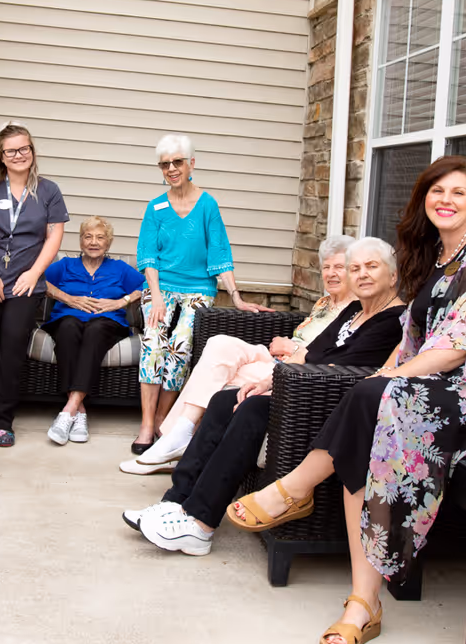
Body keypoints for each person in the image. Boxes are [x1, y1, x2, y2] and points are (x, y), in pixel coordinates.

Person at [225, 157, 466, 644]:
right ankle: (363, 601)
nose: (446, 200)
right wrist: (387, 375)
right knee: (373, 411)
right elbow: (411, 342)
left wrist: (389, 378)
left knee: (378, 399)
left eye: (459, 193)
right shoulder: (434, 258)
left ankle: (297, 492)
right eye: (437, 190)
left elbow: (457, 348)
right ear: (425, 199)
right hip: (444, 385)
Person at [123, 236, 404, 557]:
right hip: (298, 386)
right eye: (355, 268)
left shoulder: (393, 320)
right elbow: (309, 353)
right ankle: (175, 502)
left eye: (371, 267)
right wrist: (270, 380)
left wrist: (281, 382)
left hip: (326, 406)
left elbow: (338, 367)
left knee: (251, 410)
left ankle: (200, 524)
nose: (362, 274)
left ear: (392, 276)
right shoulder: (354, 309)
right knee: (223, 400)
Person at [121, 233, 356, 475]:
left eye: (339, 267)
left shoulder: (357, 312)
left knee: (220, 373)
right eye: (326, 267)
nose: (331, 273)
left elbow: (339, 356)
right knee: (219, 344)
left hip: (296, 369)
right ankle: (179, 438)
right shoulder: (325, 302)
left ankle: (175, 442)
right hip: (275, 357)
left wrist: (293, 348)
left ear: (353, 270)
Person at [132, 133, 267, 456]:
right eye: (164, 165)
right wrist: (157, 297)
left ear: (191, 164)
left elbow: (220, 254)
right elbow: (147, 256)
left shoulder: (207, 205)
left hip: (198, 289)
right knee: (153, 343)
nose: (171, 169)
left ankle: (166, 417)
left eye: (177, 162)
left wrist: (235, 296)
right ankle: (147, 425)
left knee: (179, 347)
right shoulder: (156, 207)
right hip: (160, 287)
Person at [0, 121, 68, 448]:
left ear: (32, 152)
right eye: (12, 151)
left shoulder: (48, 191)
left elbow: (55, 235)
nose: (19, 155)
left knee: (11, 352)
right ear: (1, 157)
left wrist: (34, 274)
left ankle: (1, 419)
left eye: (25, 148)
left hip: (25, 286)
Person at [42, 216, 146, 446]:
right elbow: (40, 280)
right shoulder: (66, 265)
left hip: (107, 321)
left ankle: (68, 410)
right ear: (80, 241)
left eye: (100, 237)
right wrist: (67, 298)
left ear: (108, 243)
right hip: (67, 317)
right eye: (88, 237)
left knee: (95, 330)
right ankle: (79, 412)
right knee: (68, 328)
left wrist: (121, 302)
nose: (93, 242)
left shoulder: (119, 268)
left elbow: (146, 285)